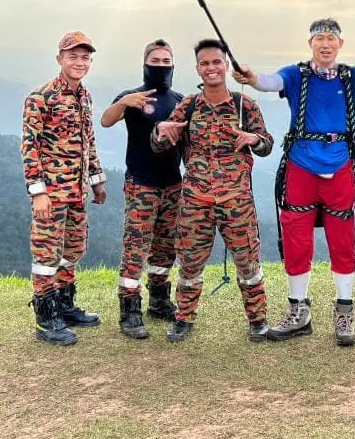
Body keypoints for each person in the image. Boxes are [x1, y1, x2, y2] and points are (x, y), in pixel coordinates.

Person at [232, 4, 355, 347]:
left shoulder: (351, 76)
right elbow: (269, 81)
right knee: (296, 236)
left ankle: (344, 310)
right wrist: (250, 77)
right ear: (310, 43)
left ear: (340, 43)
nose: (325, 43)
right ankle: (299, 310)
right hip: (301, 162)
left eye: (331, 38)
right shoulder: (296, 74)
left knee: (342, 236)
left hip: (337, 164)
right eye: (319, 37)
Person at [151, 39, 274, 343]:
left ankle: (257, 319)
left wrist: (253, 139)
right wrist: (159, 131)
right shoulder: (189, 105)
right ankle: (183, 318)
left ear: (226, 65)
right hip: (195, 200)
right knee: (190, 261)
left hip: (237, 200)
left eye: (216, 62)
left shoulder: (245, 105)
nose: (211, 68)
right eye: (204, 63)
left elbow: (267, 145)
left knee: (247, 261)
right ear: (198, 69)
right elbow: (160, 143)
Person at [22, 31, 107, 346]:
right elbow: (29, 146)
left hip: (78, 192)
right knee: (45, 254)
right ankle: (46, 320)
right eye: (73, 56)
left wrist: (97, 181)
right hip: (51, 194)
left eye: (85, 57)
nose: (80, 62)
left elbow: (89, 142)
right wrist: (38, 191)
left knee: (71, 251)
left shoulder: (84, 95)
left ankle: (65, 306)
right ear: (60, 58)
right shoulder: (41, 97)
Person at [100, 39, 184, 340]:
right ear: (145, 63)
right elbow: (106, 121)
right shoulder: (131, 97)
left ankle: (159, 301)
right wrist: (125, 103)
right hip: (141, 183)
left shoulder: (178, 99)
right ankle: (129, 311)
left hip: (173, 183)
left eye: (166, 61)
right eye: (156, 61)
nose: (161, 66)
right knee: (136, 248)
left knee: (166, 247)